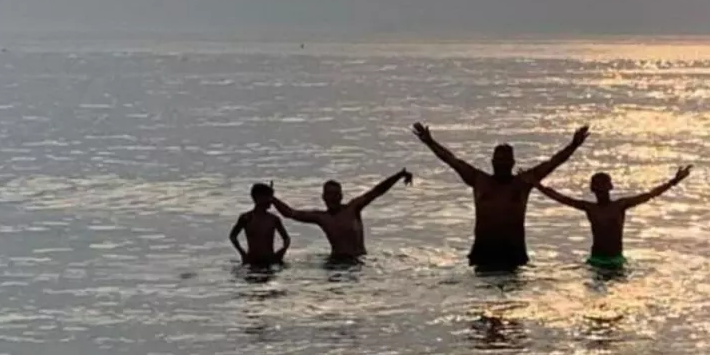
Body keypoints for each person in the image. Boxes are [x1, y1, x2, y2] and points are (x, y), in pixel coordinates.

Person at [412, 122, 590, 270]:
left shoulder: (523, 183)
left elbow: (553, 162)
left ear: (513, 163)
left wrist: (573, 145)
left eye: (506, 160)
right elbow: (451, 159)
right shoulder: (478, 179)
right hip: (484, 251)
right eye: (499, 159)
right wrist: (429, 142)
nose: (502, 163)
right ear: (492, 161)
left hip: (513, 252)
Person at [533, 166, 692, 268]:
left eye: (603, 185)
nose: (601, 189)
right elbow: (561, 198)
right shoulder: (590, 208)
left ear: (610, 187)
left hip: (616, 260)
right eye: (597, 186)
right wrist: (537, 185)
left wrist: (674, 181)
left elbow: (650, 195)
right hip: (596, 260)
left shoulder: (620, 205)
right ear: (592, 189)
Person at [272, 169, 413, 260]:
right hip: (335, 262)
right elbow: (289, 213)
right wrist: (271, 198)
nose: (332, 198)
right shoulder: (322, 217)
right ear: (323, 197)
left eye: (335, 194)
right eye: (329, 194)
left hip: (358, 260)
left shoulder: (353, 208)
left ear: (341, 196)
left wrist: (399, 175)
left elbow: (377, 191)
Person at [229, 183, 290, 267]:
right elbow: (233, 236)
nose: (271, 200)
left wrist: (281, 252)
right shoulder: (246, 218)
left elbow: (286, 239)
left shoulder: (274, 219)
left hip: (270, 260)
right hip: (252, 260)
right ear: (258, 198)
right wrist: (243, 254)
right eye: (268, 197)